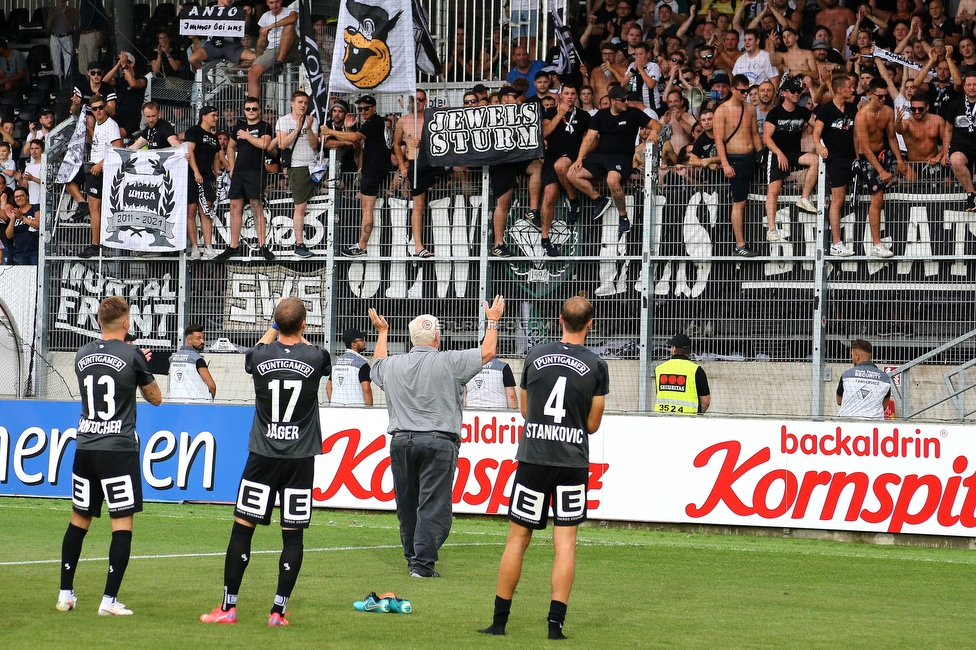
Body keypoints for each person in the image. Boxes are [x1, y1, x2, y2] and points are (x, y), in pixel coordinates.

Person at [479, 295, 608, 640]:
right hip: (571, 461)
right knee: (565, 543)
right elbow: (593, 424)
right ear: (590, 324)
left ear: (559, 319)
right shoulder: (596, 365)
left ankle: (499, 622)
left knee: (517, 539)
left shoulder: (535, 355)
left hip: (534, 457)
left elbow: (525, 410)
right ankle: (555, 627)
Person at [200, 297, 331, 627]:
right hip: (299, 459)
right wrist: (297, 333)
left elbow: (256, 352)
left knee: (243, 529)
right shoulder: (317, 357)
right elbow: (312, 355)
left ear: (274, 323)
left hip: (262, 456)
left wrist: (275, 329)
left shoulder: (259, 355)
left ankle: (229, 607)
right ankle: (278, 612)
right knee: (293, 536)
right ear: (304, 324)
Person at [367, 295, 506, 578]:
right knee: (434, 505)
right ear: (437, 338)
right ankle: (422, 564)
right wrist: (492, 321)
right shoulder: (450, 361)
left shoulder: (394, 365)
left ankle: (413, 559)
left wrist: (382, 333)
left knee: (407, 504)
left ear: (411, 339)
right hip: (438, 441)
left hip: (401, 441)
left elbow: (377, 365)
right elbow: (488, 352)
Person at [57, 296, 162, 616]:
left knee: (78, 521)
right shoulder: (133, 355)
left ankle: (65, 595)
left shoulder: (82, 354)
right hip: (117, 449)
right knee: (122, 525)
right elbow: (156, 398)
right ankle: (108, 601)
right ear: (127, 322)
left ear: (99, 322)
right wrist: (140, 368)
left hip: (85, 446)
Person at [569, 85, 653, 236]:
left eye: (627, 99)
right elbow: (589, 138)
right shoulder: (600, 115)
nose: (627, 102)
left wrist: (654, 133)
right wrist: (579, 159)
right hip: (601, 157)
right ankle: (599, 200)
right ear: (612, 101)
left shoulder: (634, 113)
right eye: (623, 100)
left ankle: (623, 216)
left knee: (612, 180)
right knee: (572, 174)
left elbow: (656, 124)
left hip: (622, 157)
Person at [320, 95, 392, 257]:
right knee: (365, 208)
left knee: (367, 209)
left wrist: (329, 131)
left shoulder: (375, 122)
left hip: (374, 171)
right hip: (370, 170)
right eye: (360, 109)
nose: (363, 112)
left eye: (366, 108)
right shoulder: (371, 124)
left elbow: (354, 138)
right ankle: (361, 244)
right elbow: (356, 146)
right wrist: (350, 128)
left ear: (374, 108)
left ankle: (361, 245)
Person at [215, 97, 274, 260]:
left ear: (259, 110)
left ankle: (263, 245)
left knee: (256, 206)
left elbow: (264, 144)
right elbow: (231, 146)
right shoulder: (239, 127)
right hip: (240, 171)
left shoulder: (265, 126)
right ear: (244, 110)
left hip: (255, 170)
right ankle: (233, 245)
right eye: (248, 109)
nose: (251, 111)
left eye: (254, 109)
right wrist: (232, 167)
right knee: (235, 206)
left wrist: (248, 137)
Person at [487, 86, 543, 258]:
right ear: (504, 98)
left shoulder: (520, 112)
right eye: (513, 96)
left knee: (537, 167)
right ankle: (498, 244)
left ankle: (532, 211)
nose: (517, 98)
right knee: (503, 201)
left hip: (517, 156)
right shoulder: (491, 113)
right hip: (501, 160)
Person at [855, 78, 906, 258]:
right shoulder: (861, 116)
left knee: (908, 171)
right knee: (877, 198)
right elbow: (866, 148)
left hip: (884, 151)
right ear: (870, 95)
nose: (883, 99)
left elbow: (892, 138)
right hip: (868, 156)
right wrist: (882, 171)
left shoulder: (888, 111)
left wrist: (899, 160)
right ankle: (877, 243)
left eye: (885, 96)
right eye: (880, 97)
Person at [763, 77, 819, 241]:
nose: (797, 94)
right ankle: (772, 228)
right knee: (774, 191)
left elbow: (818, 126)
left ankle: (804, 198)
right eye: (793, 91)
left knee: (815, 160)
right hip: (776, 154)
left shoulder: (803, 111)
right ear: (784, 93)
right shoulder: (775, 112)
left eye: (798, 91)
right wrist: (779, 154)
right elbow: (766, 138)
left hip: (794, 153)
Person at [714, 74, 763, 257]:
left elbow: (755, 134)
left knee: (751, 198)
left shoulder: (750, 108)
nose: (745, 94)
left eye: (748, 91)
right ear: (733, 89)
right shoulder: (722, 110)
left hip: (750, 157)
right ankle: (740, 244)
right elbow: (718, 141)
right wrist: (725, 164)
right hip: (734, 159)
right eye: (742, 91)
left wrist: (761, 155)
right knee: (739, 202)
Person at [540, 83, 589, 257]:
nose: (569, 96)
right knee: (549, 197)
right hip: (553, 155)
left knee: (561, 166)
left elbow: (591, 138)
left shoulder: (583, 115)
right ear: (560, 95)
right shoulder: (551, 112)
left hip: (573, 157)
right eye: (566, 93)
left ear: (576, 96)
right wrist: (559, 114)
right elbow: (544, 132)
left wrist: (581, 158)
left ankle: (573, 198)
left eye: (572, 93)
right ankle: (545, 239)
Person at [393, 90, 442, 258]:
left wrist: (425, 143)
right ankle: (419, 247)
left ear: (426, 101)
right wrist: (402, 165)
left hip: (434, 162)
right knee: (418, 206)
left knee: (456, 180)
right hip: (415, 163)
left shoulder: (433, 119)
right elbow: (396, 144)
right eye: (415, 100)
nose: (418, 102)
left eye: (421, 99)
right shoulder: (403, 121)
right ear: (411, 102)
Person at [813, 74, 858, 255]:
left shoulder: (853, 109)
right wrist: (819, 147)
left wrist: (858, 157)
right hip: (836, 159)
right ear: (840, 89)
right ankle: (836, 243)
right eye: (850, 86)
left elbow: (856, 135)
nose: (853, 89)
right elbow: (816, 133)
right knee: (837, 201)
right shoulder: (825, 110)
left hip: (851, 159)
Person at [275, 91, 319, 258]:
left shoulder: (312, 120)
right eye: (300, 102)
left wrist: (308, 129)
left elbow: (314, 144)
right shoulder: (284, 121)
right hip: (298, 166)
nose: (303, 105)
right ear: (292, 103)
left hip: (313, 166)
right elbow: (282, 144)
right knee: (300, 206)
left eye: (305, 103)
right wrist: (298, 128)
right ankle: (299, 243)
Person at [79, 94, 122, 259]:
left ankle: (96, 244)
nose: (98, 111)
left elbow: (118, 148)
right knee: (94, 207)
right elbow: (99, 145)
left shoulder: (111, 125)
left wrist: (101, 164)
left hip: (103, 170)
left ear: (106, 107)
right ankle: (98, 242)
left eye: (101, 107)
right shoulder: (98, 124)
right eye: (95, 108)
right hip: (94, 167)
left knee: (95, 207)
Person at [248, 0, 300, 99]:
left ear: (281, 1)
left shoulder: (289, 11)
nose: (274, 5)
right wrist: (258, 61)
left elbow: (293, 18)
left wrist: (271, 26)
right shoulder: (265, 16)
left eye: (276, 2)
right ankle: (252, 105)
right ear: (267, 3)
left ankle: (279, 63)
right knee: (252, 73)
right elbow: (261, 41)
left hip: (290, 47)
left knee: (289, 27)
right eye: (271, 2)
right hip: (272, 49)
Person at [189, 0, 258, 71]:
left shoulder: (235, 11)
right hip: (212, 45)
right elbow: (193, 22)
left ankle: (232, 71)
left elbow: (244, 28)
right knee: (193, 59)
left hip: (231, 46)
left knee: (256, 58)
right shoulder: (208, 10)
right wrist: (184, 11)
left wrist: (247, 15)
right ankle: (207, 82)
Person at [654, 333, 710, 415]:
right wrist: (698, 416)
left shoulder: (659, 369)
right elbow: (706, 402)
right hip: (688, 420)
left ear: (674, 349)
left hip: (662, 420)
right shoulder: (696, 370)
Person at [836, 339, 892, 419]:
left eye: (852, 355)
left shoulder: (846, 375)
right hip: (874, 426)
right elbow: (884, 405)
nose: (852, 358)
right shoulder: (885, 378)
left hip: (847, 424)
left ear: (857, 356)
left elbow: (839, 401)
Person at [944, 69, 976, 211]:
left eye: (975, 84)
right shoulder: (955, 104)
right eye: (969, 85)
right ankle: (971, 194)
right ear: (964, 87)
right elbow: (948, 129)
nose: (972, 87)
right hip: (961, 145)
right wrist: (945, 151)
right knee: (955, 160)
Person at [895, 94, 947, 170]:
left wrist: (937, 158)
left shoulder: (938, 121)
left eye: (920, 109)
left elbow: (946, 142)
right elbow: (899, 130)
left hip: (934, 163)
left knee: (948, 180)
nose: (917, 112)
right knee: (909, 178)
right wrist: (898, 122)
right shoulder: (907, 123)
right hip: (914, 165)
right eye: (913, 109)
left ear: (927, 107)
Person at [168, 323, 216, 401]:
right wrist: (210, 399)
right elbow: (212, 386)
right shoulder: (198, 359)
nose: (202, 341)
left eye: (203, 338)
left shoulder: (173, 358)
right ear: (189, 340)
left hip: (177, 403)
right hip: (199, 405)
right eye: (198, 339)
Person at [327, 328, 373, 406]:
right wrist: (369, 410)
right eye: (361, 340)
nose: (364, 342)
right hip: (356, 410)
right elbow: (366, 389)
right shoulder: (362, 364)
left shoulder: (336, 363)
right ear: (354, 345)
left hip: (336, 410)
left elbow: (328, 387)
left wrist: (334, 403)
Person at [4, 188, 40, 265]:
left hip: (35, 250)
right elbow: (9, 235)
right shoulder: (15, 212)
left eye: (21, 196)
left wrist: (22, 217)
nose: (18, 198)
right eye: (16, 197)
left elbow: (37, 224)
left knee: (36, 276)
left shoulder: (35, 208)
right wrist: (13, 219)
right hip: (20, 251)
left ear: (27, 196)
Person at [47, 0, 78, 79]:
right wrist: (52, 15)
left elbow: (72, 27)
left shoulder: (72, 10)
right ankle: (58, 86)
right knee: (56, 63)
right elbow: (48, 26)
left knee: (68, 63)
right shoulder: (53, 9)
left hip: (67, 36)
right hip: (55, 37)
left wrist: (65, 15)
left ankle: (67, 85)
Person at [78, 0, 110, 75]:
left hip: (93, 33)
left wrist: (101, 37)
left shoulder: (96, 1)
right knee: (82, 63)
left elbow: (103, 19)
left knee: (92, 62)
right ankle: (85, 82)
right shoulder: (83, 2)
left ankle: (93, 83)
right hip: (83, 34)